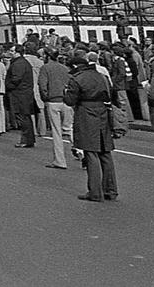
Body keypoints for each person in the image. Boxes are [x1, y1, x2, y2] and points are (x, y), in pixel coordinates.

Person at [64, 51, 118, 201]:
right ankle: (110, 190)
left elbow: (70, 100)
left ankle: (95, 192)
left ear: (75, 66)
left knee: (91, 152)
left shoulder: (77, 79)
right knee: (105, 152)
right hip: (103, 112)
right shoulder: (102, 77)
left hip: (86, 113)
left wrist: (65, 92)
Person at [38, 49, 73, 170]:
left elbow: (42, 85)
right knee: (69, 128)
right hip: (66, 101)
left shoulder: (45, 68)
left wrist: (45, 98)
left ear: (47, 56)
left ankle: (60, 160)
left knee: (56, 132)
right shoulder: (64, 68)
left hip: (53, 101)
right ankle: (81, 151)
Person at [5, 45, 38, 148]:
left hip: (20, 94)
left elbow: (16, 79)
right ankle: (28, 139)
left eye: (11, 51)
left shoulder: (19, 64)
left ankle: (26, 140)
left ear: (17, 52)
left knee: (23, 117)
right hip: (23, 93)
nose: (10, 53)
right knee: (25, 117)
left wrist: (8, 85)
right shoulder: (21, 62)